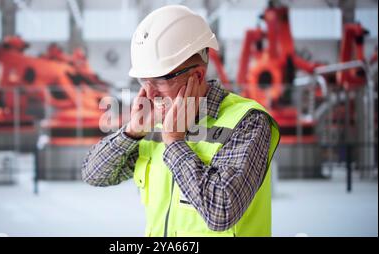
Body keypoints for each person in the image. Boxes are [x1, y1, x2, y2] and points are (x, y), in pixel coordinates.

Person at [82, 5, 280, 237]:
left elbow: (222, 211)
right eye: (144, 81)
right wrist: (132, 132)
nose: (150, 93)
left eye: (159, 80)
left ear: (196, 75)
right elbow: (94, 174)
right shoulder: (153, 124)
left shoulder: (247, 122)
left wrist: (175, 142)